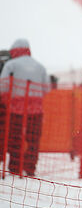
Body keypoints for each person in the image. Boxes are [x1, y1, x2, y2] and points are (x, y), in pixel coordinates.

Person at [0, 39, 49, 176]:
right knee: (33, 139)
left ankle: (15, 167)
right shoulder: (40, 66)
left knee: (15, 137)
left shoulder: (11, 64)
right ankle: (30, 167)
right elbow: (47, 88)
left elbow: (2, 86)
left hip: (16, 109)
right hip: (36, 110)